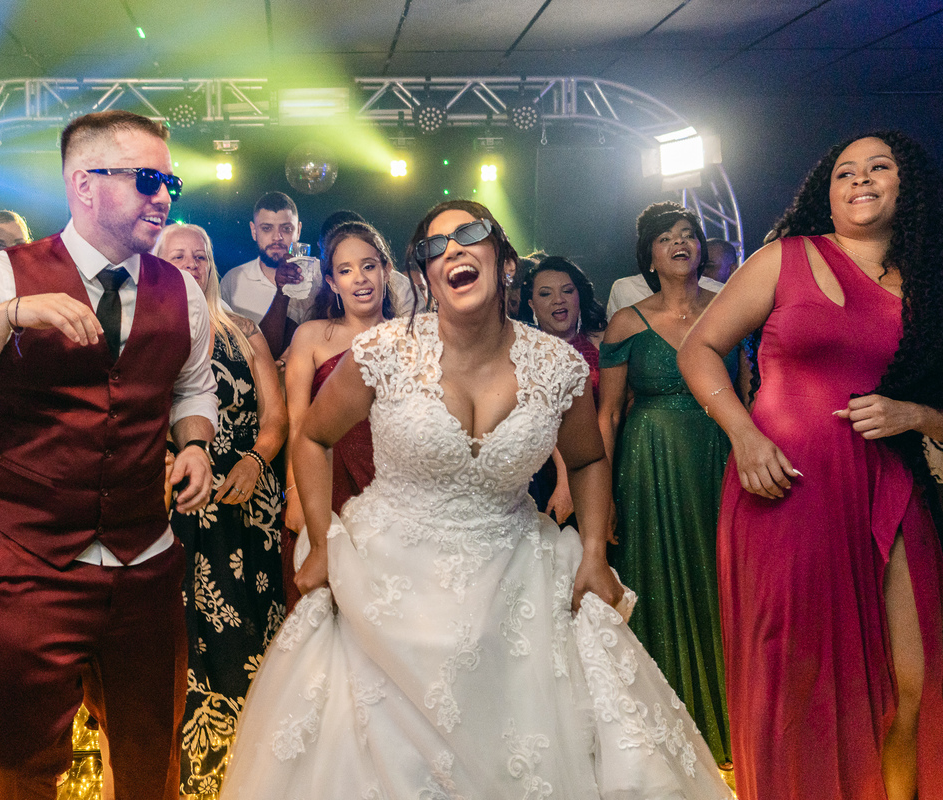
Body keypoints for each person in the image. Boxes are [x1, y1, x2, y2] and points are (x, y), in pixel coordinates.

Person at [219, 200, 731, 799]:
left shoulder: (556, 366)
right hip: (387, 582)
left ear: (505, 261)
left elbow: (589, 460)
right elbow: (312, 436)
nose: (453, 251)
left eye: (469, 235)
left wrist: (592, 550)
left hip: (517, 575)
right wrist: (325, 542)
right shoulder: (383, 352)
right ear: (423, 278)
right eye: (436, 248)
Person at [0, 109, 217, 799]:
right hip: (27, 561)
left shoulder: (182, 291)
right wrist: (8, 317)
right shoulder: (2, 276)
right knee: (15, 768)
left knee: (149, 764)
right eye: (146, 179)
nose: (164, 195)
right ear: (85, 184)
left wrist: (194, 444)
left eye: (170, 180)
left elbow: (193, 387)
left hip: (145, 564)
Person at [678, 131, 943, 800]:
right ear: (825, 193)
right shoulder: (784, 258)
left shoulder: (932, 287)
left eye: (878, 167)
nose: (860, 179)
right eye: (844, 172)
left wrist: (919, 415)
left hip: (888, 484)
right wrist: (743, 433)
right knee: (800, 684)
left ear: (905, 184)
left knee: (916, 675)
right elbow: (700, 347)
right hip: (784, 492)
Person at [598, 202, 740, 766]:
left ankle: (735, 724)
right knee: (659, 578)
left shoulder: (731, 309)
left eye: (688, 235)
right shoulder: (627, 322)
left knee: (723, 577)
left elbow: (749, 392)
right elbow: (607, 415)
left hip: (719, 458)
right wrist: (602, 495)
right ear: (649, 256)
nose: (679, 243)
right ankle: (667, 734)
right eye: (665, 238)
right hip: (649, 463)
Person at [153, 222, 288, 797]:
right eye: (175, 255)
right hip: (176, 505)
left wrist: (256, 461)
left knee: (252, 634)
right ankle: (193, 780)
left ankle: (259, 775)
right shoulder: (143, 334)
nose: (189, 263)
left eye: (198, 255)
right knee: (185, 641)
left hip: (245, 502)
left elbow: (277, 418)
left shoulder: (245, 332)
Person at [282, 221, 397, 541]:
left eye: (369, 266)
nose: (359, 277)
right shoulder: (310, 336)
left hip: (394, 489)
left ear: (385, 271)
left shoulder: (411, 339)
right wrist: (294, 491)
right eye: (345, 271)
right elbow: (297, 424)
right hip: (326, 483)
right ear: (332, 283)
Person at [516, 255, 607, 523]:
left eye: (567, 291)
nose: (559, 299)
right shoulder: (526, 353)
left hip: (608, 459)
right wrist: (565, 481)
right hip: (552, 471)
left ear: (579, 295)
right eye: (546, 294)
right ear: (531, 303)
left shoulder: (604, 342)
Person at [219, 191, 322, 356]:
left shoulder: (320, 276)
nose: (277, 237)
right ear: (254, 231)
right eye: (267, 228)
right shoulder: (233, 280)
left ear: (299, 230)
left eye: (286, 229)